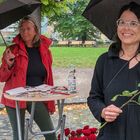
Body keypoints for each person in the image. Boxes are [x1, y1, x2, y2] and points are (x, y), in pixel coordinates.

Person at [87, 2, 140, 140]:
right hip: (111, 135)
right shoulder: (104, 61)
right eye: (122, 22)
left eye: (133, 23)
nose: (126, 27)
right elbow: (94, 97)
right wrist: (103, 111)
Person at [0, 16, 57, 140]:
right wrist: (8, 63)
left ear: (35, 30)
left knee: (51, 134)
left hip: (36, 96)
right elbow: (2, 77)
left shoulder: (45, 50)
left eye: (28, 28)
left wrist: (50, 102)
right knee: (19, 136)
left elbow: (49, 77)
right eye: (22, 29)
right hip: (15, 97)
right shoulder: (12, 50)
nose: (25, 32)